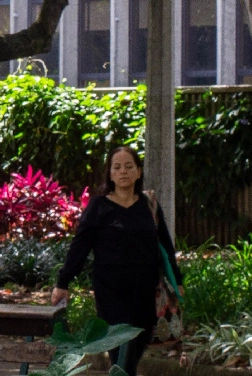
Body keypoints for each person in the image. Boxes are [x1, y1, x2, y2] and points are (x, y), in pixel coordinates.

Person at [53, 146, 183, 374]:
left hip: (145, 290)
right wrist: (63, 282)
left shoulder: (149, 204)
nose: (123, 171)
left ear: (139, 172)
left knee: (138, 344)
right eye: (117, 167)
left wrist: (177, 280)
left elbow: (165, 244)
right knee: (120, 347)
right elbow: (80, 247)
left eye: (129, 166)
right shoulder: (98, 206)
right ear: (110, 174)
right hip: (111, 291)